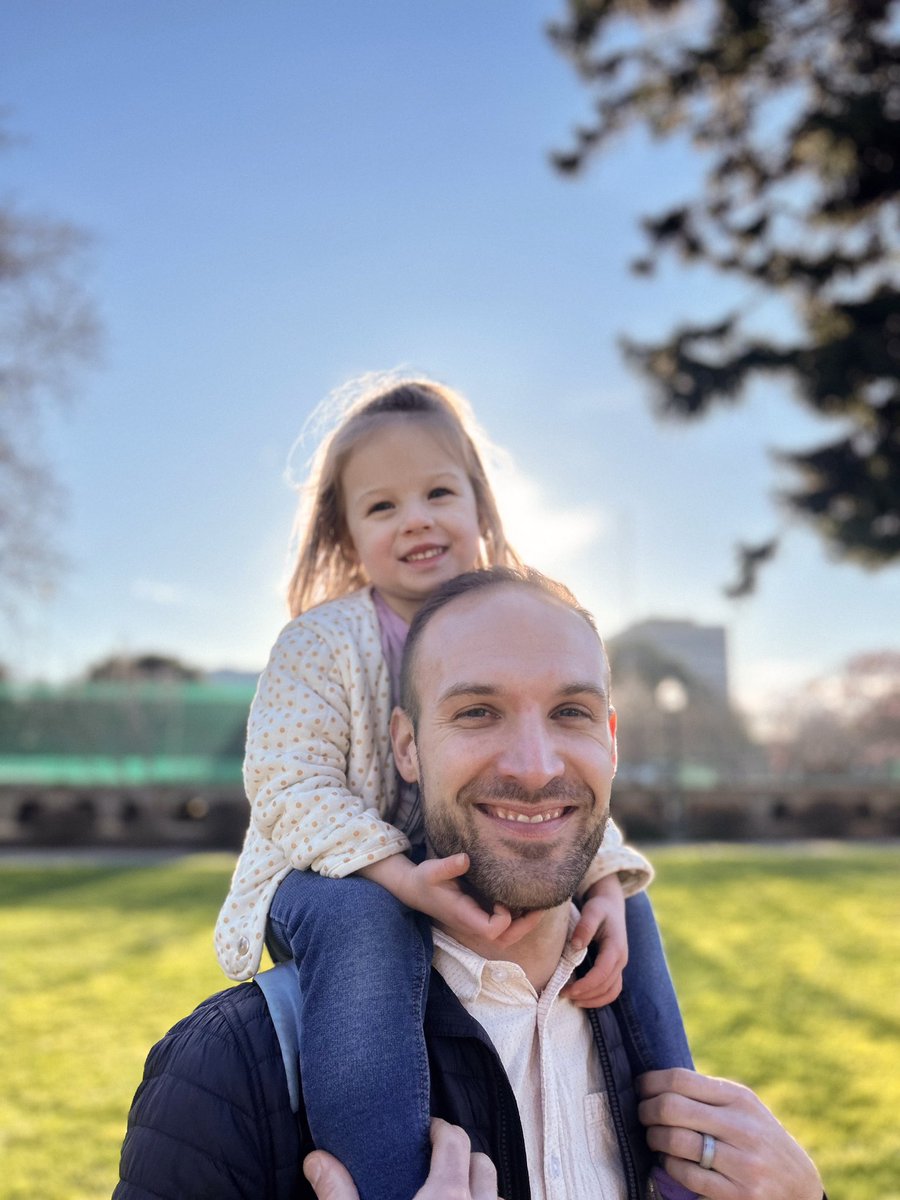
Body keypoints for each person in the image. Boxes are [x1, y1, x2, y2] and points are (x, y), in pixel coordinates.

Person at [113, 567, 825, 1200]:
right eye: (478, 712)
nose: (535, 766)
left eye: (570, 712)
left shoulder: (639, 1022)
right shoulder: (234, 1067)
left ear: (611, 739)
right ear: (406, 747)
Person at [212, 376, 692, 1200]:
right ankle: (388, 1179)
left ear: (482, 508)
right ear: (348, 534)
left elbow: (557, 770)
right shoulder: (321, 643)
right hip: (327, 877)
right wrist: (399, 878)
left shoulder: (524, 615)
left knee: (633, 905)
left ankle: (689, 1152)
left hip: (453, 848)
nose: (418, 519)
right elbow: (287, 788)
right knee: (371, 924)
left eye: (439, 492)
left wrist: (604, 877)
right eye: (383, 506)